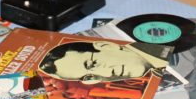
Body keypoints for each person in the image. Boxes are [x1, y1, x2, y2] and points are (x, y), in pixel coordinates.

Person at [38, 41, 168, 83]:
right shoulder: (157, 73)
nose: (106, 74)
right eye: (88, 77)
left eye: (92, 64)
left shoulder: (164, 47)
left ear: (106, 46)